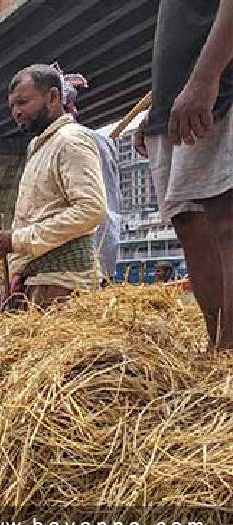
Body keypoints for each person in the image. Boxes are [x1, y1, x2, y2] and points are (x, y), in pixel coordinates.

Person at [136, 0, 233, 348]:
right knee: (190, 223)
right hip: (178, 103)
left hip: (218, 90)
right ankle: (219, 346)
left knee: (226, 220)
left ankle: (229, 354)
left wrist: (206, 78)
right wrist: (157, 111)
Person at [0, 64, 108, 308]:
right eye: (13, 106)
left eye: (23, 102)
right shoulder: (40, 147)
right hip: (42, 283)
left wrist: (19, 239)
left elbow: (91, 209)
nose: (16, 112)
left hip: (64, 286)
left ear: (53, 97)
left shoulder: (70, 140)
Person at [55, 66, 123, 283]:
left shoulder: (87, 141)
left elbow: (101, 207)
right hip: (65, 257)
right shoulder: (37, 146)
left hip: (81, 260)